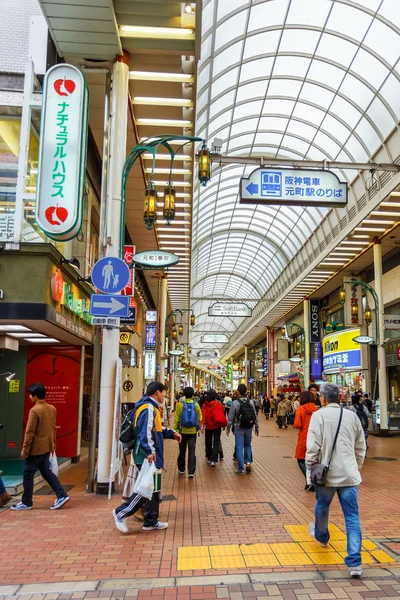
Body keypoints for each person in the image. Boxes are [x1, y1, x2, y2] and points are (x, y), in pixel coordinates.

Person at [306, 382, 366, 578]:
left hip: (327, 476)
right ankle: (355, 563)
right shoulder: (352, 416)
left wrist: (310, 468)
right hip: (349, 475)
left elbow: (312, 446)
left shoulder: (318, 416)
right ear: (339, 398)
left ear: (323, 398)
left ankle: (322, 536)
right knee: (352, 517)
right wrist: (356, 465)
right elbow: (360, 445)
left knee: (322, 507)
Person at [113, 382, 181, 533]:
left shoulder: (149, 407)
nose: (165, 396)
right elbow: (144, 433)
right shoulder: (148, 408)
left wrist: (171, 433)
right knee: (145, 489)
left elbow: (156, 429)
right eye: (164, 393)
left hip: (148, 455)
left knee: (153, 489)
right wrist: (150, 452)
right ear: (157, 392)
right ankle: (121, 512)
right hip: (147, 456)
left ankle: (151, 520)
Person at [11, 382, 70, 511]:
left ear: (36, 396)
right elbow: (52, 429)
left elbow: (29, 432)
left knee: (28, 474)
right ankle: (61, 494)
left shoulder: (34, 410)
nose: (30, 397)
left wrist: (25, 450)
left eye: (31, 395)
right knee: (46, 472)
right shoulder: (52, 408)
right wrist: (52, 445)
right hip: (46, 447)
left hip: (34, 449)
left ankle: (27, 502)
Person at [227, 384, 259, 475]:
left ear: (238, 392)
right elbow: (255, 415)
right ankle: (248, 462)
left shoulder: (235, 403)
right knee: (248, 445)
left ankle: (241, 469)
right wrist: (256, 426)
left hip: (238, 427)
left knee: (239, 447)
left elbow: (231, 417)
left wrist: (228, 427)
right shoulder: (251, 402)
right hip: (249, 427)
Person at [174, 387, 202, 478]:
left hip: (182, 431)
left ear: (184, 394)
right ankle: (191, 471)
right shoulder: (196, 405)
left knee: (182, 450)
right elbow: (199, 418)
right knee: (192, 451)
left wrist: (175, 431)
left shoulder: (180, 405)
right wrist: (198, 428)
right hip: (192, 432)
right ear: (193, 394)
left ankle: (181, 469)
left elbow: (177, 418)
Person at [294, 391, 318, 491]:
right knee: (314, 460)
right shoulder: (316, 409)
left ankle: (309, 481)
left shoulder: (300, 409)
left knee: (300, 459)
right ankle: (314, 480)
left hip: (304, 437)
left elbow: (297, 424)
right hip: (315, 437)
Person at [202, 389, 226, 467]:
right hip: (217, 425)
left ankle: (209, 457)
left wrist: (202, 425)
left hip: (208, 426)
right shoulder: (218, 404)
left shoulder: (205, 405)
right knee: (216, 442)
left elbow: (203, 416)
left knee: (208, 442)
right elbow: (221, 414)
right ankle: (214, 459)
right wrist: (223, 424)